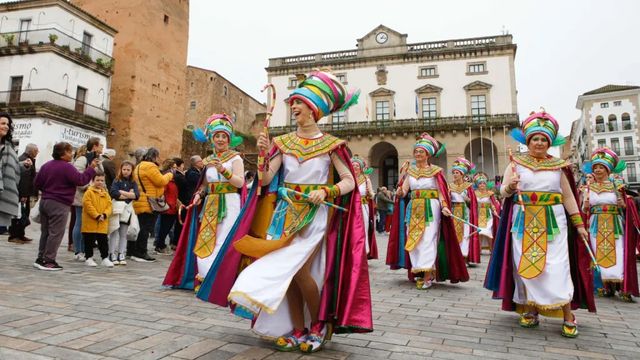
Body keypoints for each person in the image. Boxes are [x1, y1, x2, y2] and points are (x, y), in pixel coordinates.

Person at [222, 70, 372, 353]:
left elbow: (350, 181)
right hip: (284, 215)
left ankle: (317, 326)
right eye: (292, 103)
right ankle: (297, 328)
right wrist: (262, 156)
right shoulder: (282, 142)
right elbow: (266, 180)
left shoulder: (332, 145)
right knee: (287, 273)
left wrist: (326, 191)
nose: (293, 107)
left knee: (301, 270)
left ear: (314, 108)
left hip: (315, 217)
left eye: (298, 103)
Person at [485, 110, 595, 338]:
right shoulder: (515, 164)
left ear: (549, 142)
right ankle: (531, 309)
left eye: (543, 139)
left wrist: (579, 223)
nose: (539, 142)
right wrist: (511, 187)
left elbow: (568, 197)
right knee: (526, 264)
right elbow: (502, 192)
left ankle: (568, 314)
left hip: (554, 220)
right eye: (535, 138)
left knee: (557, 266)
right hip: (522, 220)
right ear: (528, 141)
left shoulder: (559, 166)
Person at [164, 114, 246, 289]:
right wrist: (199, 194)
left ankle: (222, 279)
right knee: (206, 241)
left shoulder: (235, 158)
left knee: (225, 239)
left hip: (230, 203)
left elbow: (240, 182)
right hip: (210, 205)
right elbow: (205, 185)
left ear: (229, 138)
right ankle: (205, 278)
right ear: (211, 138)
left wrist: (224, 170)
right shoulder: (207, 161)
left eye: (224, 136)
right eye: (217, 136)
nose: (221, 139)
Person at [387, 133, 469, 290]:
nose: (418, 154)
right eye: (416, 151)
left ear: (428, 154)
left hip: (431, 207)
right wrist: (398, 192)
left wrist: (445, 205)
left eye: (421, 151)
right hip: (414, 207)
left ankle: (427, 273)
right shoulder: (409, 171)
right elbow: (404, 191)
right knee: (414, 239)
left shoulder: (436, 171)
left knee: (428, 238)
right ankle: (418, 269)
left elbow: (441, 191)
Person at [582, 147, 638, 302]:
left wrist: (624, 203)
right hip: (596, 225)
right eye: (596, 167)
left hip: (615, 225)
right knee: (597, 254)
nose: (598, 170)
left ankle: (621, 286)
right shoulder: (588, 188)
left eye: (601, 167)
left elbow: (626, 207)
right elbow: (584, 208)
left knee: (619, 252)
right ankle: (604, 285)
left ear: (608, 170)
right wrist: (585, 206)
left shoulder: (617, 186)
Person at [33, 142, 98, 270]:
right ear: (63, 154)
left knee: (45, 232)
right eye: (69, 152)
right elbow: (81, 181)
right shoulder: (67, 167)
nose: (72, 154)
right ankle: (49, 260)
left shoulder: (46, 165)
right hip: (59, 203)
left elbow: (37, 183)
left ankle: (41, 258)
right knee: (56, 233)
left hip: (45, 201)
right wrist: (91, 169)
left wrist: (48, 190)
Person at [132, 147, 173, 262]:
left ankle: (135, 250)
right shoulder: (150, 166)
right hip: (149, 201)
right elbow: (161, 181)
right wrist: (170, 175)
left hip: (141, 199)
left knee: (142, 227)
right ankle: (141, 252)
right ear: (154, 156)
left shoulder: (139, 166)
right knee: (146, 228)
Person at [72, 137, 104, 261]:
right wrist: (88, 186)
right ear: (95, 146)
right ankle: (78, 251)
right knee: (80, 222)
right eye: (100, 145)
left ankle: (86, 250)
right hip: (82, 195)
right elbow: (77, 177)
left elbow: (101, 176)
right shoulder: (83, 159)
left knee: (90, 225)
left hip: (96, 196)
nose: (102, 147)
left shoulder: (98, 160)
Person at [449, 157, 480, 265]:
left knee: (466, 234)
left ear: (462, 174)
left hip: (465, 212)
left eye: (457, 173)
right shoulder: (450, 186)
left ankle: (464, 257)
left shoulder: (468, 187)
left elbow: (474, 203)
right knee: (453, 234)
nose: (455, 175)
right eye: (454, 173)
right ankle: (454, 257)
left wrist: (468, 200)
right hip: (453, 212)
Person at [108, 160, 139, 265]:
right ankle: (111, 253)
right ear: (121, 170)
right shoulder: (117, 180)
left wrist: (123, 192)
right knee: (114, 231)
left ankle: (121, 253)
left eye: (128, 170)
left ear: (132, 171)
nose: (126, 171)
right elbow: (114, 192)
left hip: (127, 210)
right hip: (117, 209)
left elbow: (136, 195)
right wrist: (129, 194)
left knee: (123, 233)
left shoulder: (133, 182)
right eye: (124, 169)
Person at [82, 171, 113, 267]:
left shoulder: (106, 194)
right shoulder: (89, 192)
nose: (100, 182)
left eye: (102, 180)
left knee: (103, 241)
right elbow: (88, 205)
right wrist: (96, 215)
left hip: (102, 222)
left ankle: (105, 258)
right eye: (97, 180)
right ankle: (89, 257)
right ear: (93, 181)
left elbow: (109, 206)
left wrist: (104, 214)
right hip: (90, 222)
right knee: (89, 241)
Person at [8, 143, 39, 243]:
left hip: (25, 193)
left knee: (24, 214)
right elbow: (24, 180)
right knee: (19, 215)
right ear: (31, 151)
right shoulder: (25, 160)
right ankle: (14, 236)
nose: (37, 152)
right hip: (22, 193)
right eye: (36, 151)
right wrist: (24, 195)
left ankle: (21, 234)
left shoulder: (29, 159)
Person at [352, 155, 378, 259]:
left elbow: (372, 194)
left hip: (363, 208)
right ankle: (352, 252)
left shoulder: (366, 180)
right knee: (352, 231)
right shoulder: (348, 179)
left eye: (357, 166)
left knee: (363, 229)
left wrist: (371, 194)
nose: (354, 167)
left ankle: (363, 252)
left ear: (361, 168)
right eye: (352, 165)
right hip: (351, 209)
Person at [0, 112, 21, 231]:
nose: (6, 126)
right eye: (3, 123)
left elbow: (11, 166)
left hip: (3, 192)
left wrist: (24, 166)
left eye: (8, 124)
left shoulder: (8, 147)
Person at [154, 159, 178, 255]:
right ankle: (160, 246)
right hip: (167, 207)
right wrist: (167, 202)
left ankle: (161, 245)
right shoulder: (167, 179)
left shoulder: (172, 180)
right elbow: (162, 192)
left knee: (166, 227)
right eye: (174, 168)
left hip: (172, 206)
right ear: (170, 168)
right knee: (164, 227)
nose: (175, 170)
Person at [473, 172, 500, 252]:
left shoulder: (490, 193)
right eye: (480, 183)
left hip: (488, 215)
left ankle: (492, 249)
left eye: (483, 183)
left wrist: (494, 211)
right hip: (478, 215)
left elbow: (493, 204)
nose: (482, 185)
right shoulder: (474, 194)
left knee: (488, 232)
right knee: (480, 232)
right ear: (477, 184)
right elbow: (472, 204)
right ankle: (479, 250)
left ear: (486, 184)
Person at [172, 157, 188, 251]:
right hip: (180, 201)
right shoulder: (178, 176)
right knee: (178, 223)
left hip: (179, 200)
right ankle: (175, 242)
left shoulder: (178, 175)